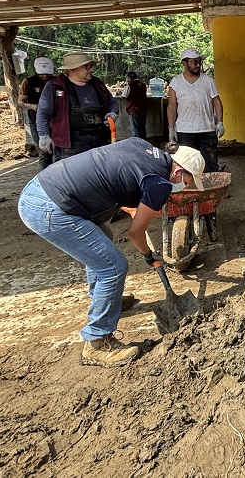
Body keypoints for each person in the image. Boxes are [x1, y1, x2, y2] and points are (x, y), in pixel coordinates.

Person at [18, 139, 205, 367]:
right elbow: (135, 233)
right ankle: (97, 342)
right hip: (48, 208)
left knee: (102, 238)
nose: (185, 187)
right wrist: (149, 256)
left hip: (41, 187)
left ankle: (106, 299)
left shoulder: (141, 145)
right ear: (177, 171)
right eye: (187, 181)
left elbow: (117, 171)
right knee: (113, 267)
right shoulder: (159, 184)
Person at [36, 52, 118, 162]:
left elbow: (112, 102)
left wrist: (113, 113)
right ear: (72, 69)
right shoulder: (55, 86)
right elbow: (43, 112)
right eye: (86, 67)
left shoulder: (97, 84)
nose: (91, 70)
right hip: (70, 147)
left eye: (91, 66)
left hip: (100, 142)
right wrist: (43, 135)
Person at [167, 49, 225, 173]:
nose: (198, 65)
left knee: (210, 164)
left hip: (207, 130)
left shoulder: (208, 81)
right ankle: (192, 185)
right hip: (184, 131)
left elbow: (217, 102)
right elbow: (172, 106)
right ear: (184, 63)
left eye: (199, 62)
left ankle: (210, 185)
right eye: (194, 62)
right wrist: (171, 128)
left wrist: (220, 122)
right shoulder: (176, 82)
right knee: (187, 165)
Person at [18, 57, 55, 171]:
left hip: (55, 119)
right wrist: (33, 106)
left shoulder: (57, 81)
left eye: (47, 74)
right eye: (42, 74)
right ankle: (45, 174)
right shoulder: (28, 82)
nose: (44, 76)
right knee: (44, 150)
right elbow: (20, 102)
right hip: (36, 120)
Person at [121, 71, 149, 139]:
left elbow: (124, 96)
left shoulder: (129, 85)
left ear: (129, 78)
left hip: (133, 109)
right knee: (142, 127)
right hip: (143, 108)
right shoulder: (143, 84)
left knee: (135, 129)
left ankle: (137, 142)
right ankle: (143, 142)